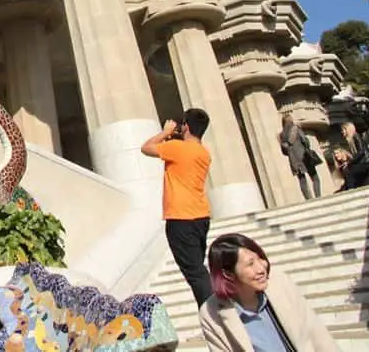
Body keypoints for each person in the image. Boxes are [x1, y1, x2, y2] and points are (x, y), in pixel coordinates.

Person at [199, 233, 339, 351]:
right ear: (228, 274)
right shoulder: (211, 312)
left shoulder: (280, 283)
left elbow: (316, 333)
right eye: (250, 264)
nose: (261, 268)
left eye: (260, 258)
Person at [141, 108, 213, 308]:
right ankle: (213, 310)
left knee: (195, 273)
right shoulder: (203, 153)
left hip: (181, 218)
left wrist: (166, 132)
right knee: (198, 269)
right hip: (200, 216)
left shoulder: (177, 148)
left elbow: (146, 148)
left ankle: (215, 314)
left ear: (187, 127)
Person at [279, 115, 321, 200]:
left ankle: (308, 199)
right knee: (315, 177)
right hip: (304, 156)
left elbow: (284, 151)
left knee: (302, 180)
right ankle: (318, 197)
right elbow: (305, 141)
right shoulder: (296, 128)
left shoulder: (282, 135)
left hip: (294, 160)